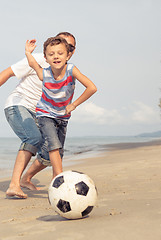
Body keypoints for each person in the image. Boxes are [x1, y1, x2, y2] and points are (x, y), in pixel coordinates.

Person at [0, 32, 76, 199]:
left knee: (52, 151)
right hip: (18, 105)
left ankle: (26, 178)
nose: (66, 49)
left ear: (71, 51)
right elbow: (7, 72)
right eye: (63, 43)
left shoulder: (67, 69)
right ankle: (14, 185)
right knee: (33, 138)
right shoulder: (39, 60)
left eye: (71, 47)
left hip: (43, 114)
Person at [25, 36, 97, 178]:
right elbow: (33, 64)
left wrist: (74, 104)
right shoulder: (44, 73)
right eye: (51, 54)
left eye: (60, 53)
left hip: (63, 116)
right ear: (45, 58)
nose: (56, 57)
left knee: (59, 150)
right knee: (53, 143)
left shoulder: (71, 70)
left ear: (67, 55)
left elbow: (92, 87)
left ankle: (53, 178)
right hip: (45, 114)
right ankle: (59, 176)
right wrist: (28, 52)